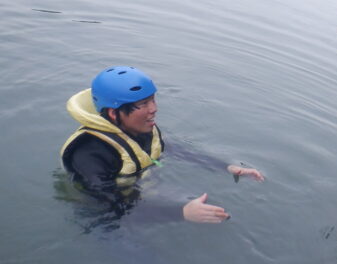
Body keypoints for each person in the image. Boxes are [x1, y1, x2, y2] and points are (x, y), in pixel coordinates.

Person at [61, 66, 263, 224]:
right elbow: (110, 203)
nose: (154, 109)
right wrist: (181, 212)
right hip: (106, 216)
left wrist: (226, 167)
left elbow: (172, 149)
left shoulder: (140, 128)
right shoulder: (88, 153)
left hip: (142, 193)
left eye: (153, 100)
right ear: (114, 113)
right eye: (143, 105)